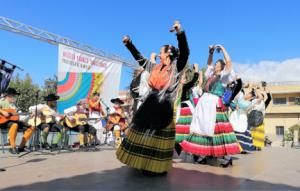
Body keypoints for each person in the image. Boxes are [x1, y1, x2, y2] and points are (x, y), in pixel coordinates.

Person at [116, 21, 189, 174]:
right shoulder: (154, 67)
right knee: (143, 135)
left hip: (164, 106)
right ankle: (142, 162)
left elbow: (185, 52)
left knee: (158, 139)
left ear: (168, 54)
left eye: (161, 52)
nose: (159, 54)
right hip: (150, 104)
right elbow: (139, 58)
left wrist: (179, 32)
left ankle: (157, 167)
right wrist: (129, 44)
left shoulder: (176, 68)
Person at [181, 45, 240, 167]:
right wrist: (211, 52)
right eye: (216, 63)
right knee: (201, 127)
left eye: (218, 63)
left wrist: (222, 48)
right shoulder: (211, 75)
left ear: (222, 66)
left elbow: (229, 62)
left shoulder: (224, 76)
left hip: (214, 103)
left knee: (218, 130)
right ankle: (203, 154)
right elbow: (208, 64)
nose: (216, 64)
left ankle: (228, 157)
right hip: (204, 102)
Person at [174, 64, 200, 156]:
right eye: (184, 78)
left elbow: (193, 81)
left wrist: (192, 71)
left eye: (185, 78)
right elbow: (193, 80)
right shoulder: (180, 88)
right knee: (184, 129)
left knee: (183, 129)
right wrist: (196, 69)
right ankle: (180, 146)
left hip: (183, 109)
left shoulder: (180, 87)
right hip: (182, 109)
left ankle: (181, 146)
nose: (185, 79)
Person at [0, 88, 35, 154]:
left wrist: (28, 115)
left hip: (13, 121)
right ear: (9, 95)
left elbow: (18, 116)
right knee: (14, 125)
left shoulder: (14, 105)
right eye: (14, 95)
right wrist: (2, 111)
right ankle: (12, 147)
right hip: (3, 122)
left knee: (31, 127)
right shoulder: (2, 101)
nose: (14, 97)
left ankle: (21, 147)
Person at [230, 88, 256, 153]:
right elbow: (233, 101)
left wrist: (237, 105)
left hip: (241, 117)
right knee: (233, 131)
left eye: (249, 94)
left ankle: (240, 148)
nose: (247, 94)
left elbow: (241, 106)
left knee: (240, 132)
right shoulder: (241, 98)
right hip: (235, 116)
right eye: (248, 93)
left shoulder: (249, 103)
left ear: (251, 97)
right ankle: (234, 147)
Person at [250, 86, 272, 151]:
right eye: (257, 97)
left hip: (260, 121)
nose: (258, 98)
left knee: (259, 134)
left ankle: (259, 146)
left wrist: (266, 90)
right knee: (253, 134)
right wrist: (253, 90)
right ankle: (253, 146)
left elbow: (269, 98)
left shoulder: (264, 104)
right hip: (253, 121)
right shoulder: (254, 103)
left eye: (260, 97)